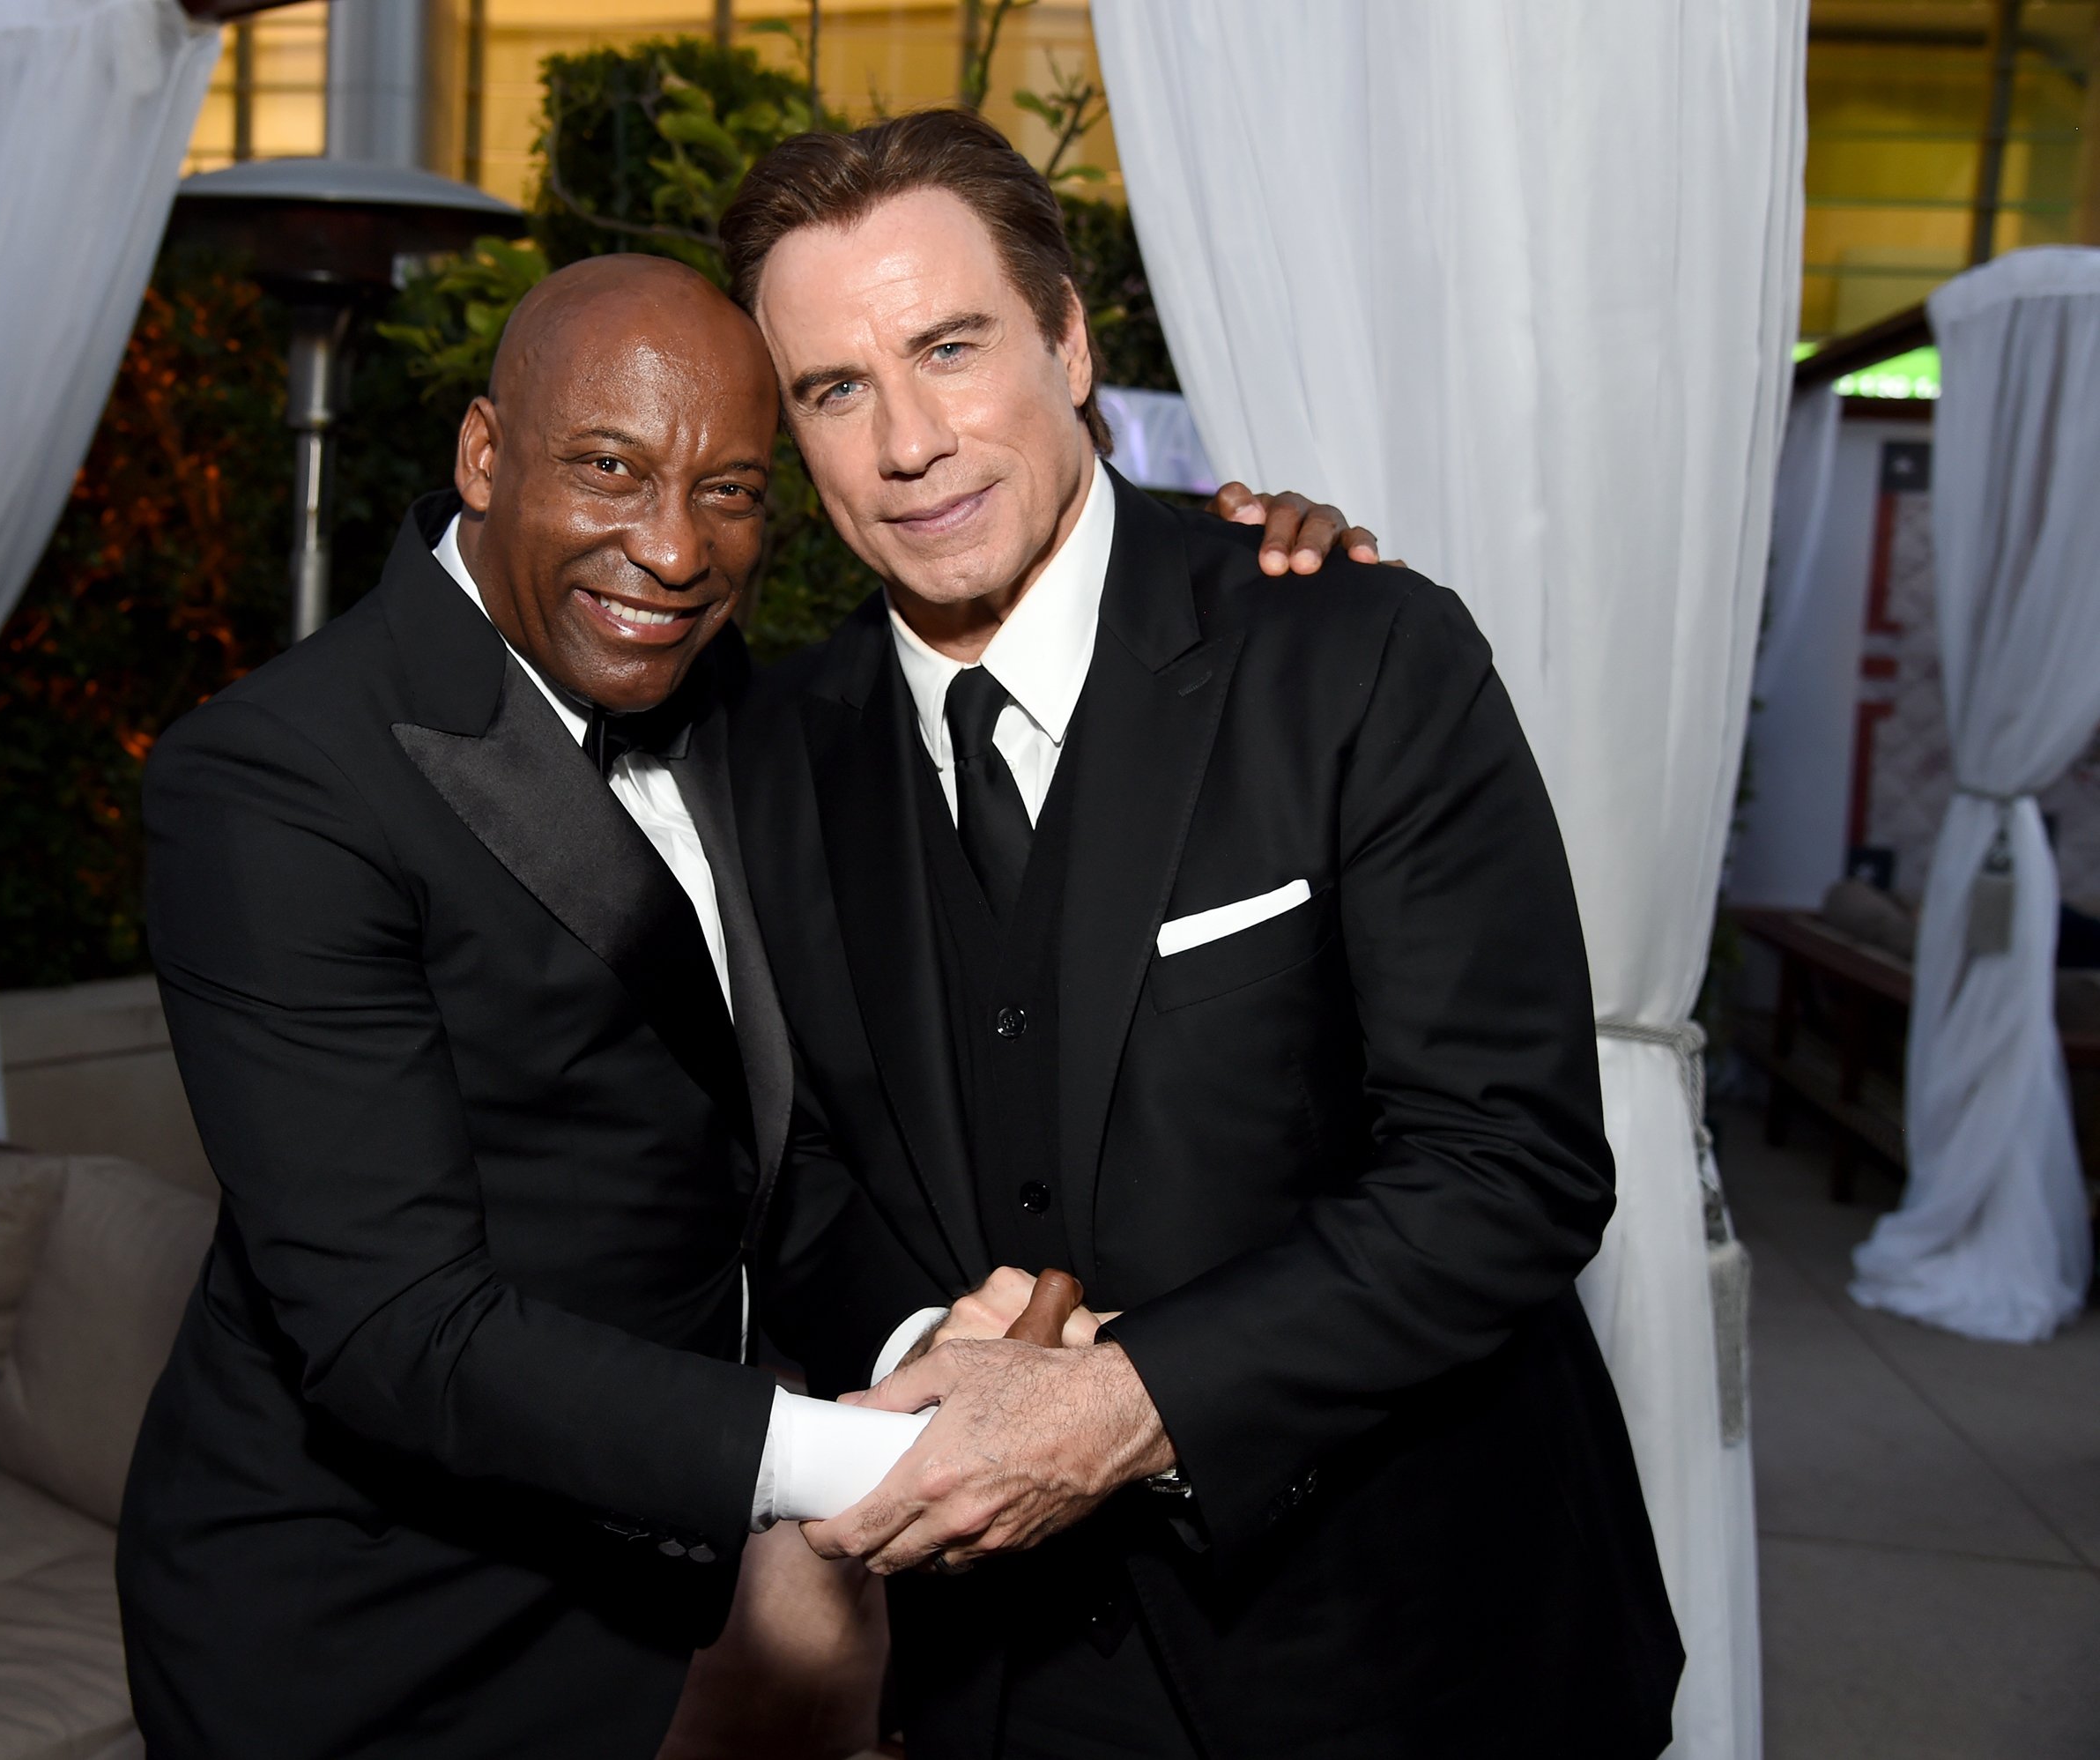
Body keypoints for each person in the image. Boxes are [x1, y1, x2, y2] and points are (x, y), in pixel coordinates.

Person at [114, 245, 1375, 1756]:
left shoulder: (733, 706)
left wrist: (1234, 559)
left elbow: (770, 1140)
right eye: (608, 466)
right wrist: (876, 1458)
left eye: (728, 490)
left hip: (641, 1599)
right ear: (482, 452)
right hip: (360, 1620)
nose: (671, 547)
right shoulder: (271, 781)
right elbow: (398, 1329)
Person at [720, 110, 1684, 1758]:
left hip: (1415, 1657)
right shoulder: (773, 756)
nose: (909, 442)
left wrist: (1114, 1405)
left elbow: (1507, 1164)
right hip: (1008, 1686)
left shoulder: (1352, 651)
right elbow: (787, 1160)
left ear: (1071, 339)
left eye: (951, 348)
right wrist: (915, 1352)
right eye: (834, 388)